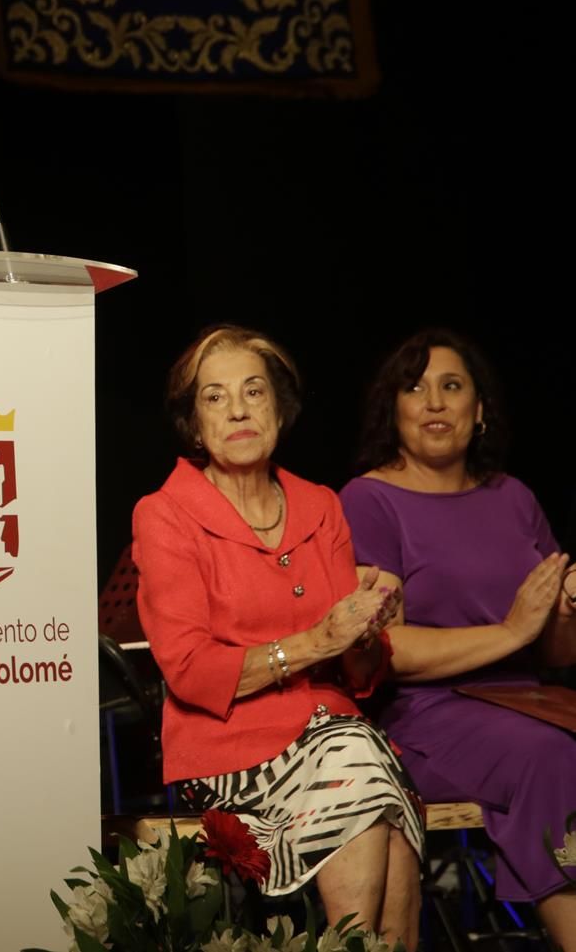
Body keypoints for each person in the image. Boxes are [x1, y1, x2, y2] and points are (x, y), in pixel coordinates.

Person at [132, 324, 420, 947]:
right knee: (369, 775)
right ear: (193, 420)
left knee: (369, 779)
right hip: (228, 749)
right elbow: (189, 669)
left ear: (278, 409)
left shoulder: (321, 505)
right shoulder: (166, 514)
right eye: (215, 396)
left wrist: (367, 627)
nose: (238, 409)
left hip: (336, 737)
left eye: (253, 392)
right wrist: (317, 641)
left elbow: (363, 674)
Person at [341, 329, 576, 948]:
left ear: (480, 411)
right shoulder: (368, 501)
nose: (435, 403)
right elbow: (388, 652)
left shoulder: (514, 497)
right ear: (393, 410)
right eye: (415, 388)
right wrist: (511, 629)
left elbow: (556, 656)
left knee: (545, 746)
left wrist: (567, 608)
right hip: (425, 715)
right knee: (549, 759)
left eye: (452, 387)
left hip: (530, 702)